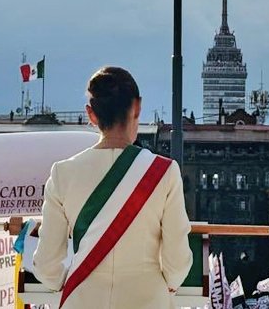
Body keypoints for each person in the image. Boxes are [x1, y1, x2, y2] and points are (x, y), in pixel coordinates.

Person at [14, 66, 193, 308]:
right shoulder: (164, 172)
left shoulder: (62, 173)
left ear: (91, 114)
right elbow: (177, 263)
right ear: (137, 107)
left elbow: (47, 266)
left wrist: (69, 281)